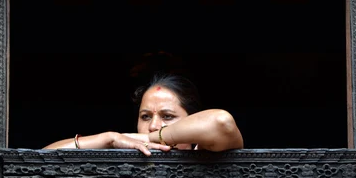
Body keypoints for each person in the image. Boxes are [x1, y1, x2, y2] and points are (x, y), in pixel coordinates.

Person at [44, 73, 244, 155]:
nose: (154, 125)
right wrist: (110, 139)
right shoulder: (128, 154)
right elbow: (43, 157)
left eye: (167, 116)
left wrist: (148, 138)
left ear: (193, 119)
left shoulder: (207, 150)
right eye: (146, 117)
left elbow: (221, 122)